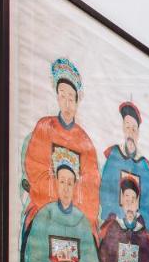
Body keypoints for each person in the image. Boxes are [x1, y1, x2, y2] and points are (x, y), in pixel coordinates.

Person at [20, 58, 101, 233]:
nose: (67, 103)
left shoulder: (85, 142)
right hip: (45, 208)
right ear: (57, 97)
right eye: (63, 96)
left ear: (77, 101)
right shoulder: (44, 127)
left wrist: (72, 206)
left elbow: (91, 187)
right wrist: (60, 199)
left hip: (77, 215)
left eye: (71, 98)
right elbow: (35, 171)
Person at [100, 101, 149, 233]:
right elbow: (105, 192)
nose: (130, 133)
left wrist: (139, 223)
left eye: (134, 129)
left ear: (138, 133)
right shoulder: (114, 155)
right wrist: (116, 219)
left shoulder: (143, 165)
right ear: (123, 128)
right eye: (127, 127)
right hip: (115, 226)